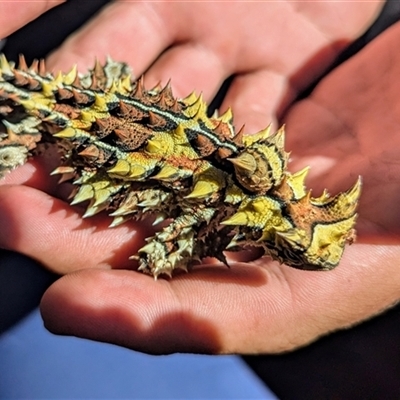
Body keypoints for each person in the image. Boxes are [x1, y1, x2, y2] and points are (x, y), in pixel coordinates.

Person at [1, 0, 398, 358]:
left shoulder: (269, 166)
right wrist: (190, 252)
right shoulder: (212, 215)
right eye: (296, 254)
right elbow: (157, 255)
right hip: (56, 126)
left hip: (98, 93)